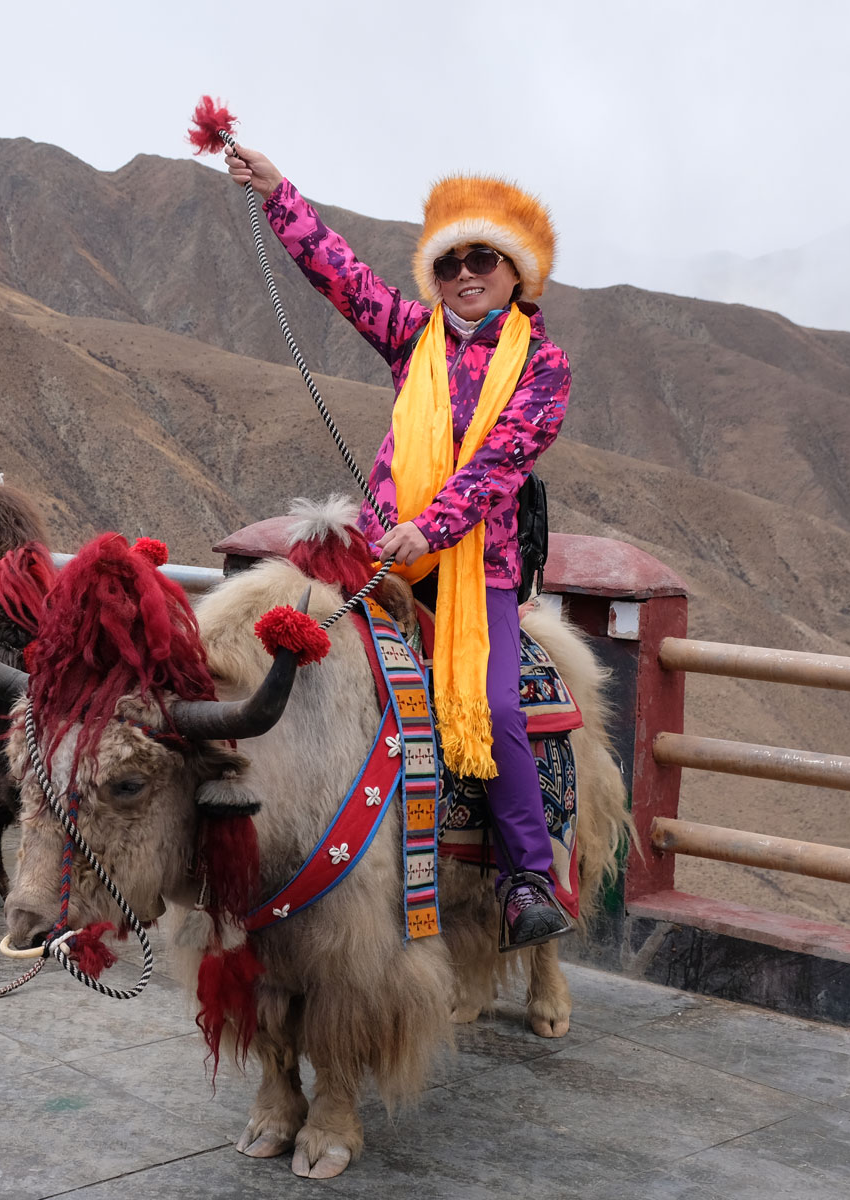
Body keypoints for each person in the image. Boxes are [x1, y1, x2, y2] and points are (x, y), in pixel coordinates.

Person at [226, 145, 571, 949]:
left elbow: (500, 464)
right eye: (449, 261)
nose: (464, 273)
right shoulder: (413, 335)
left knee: (493, 707)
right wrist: (279, 195)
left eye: (482, 257)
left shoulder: (544, 368)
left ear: (515, 270)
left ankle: (525, 878)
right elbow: (340, 274)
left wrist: (436, 523)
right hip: (385, 555)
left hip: (473, 570)